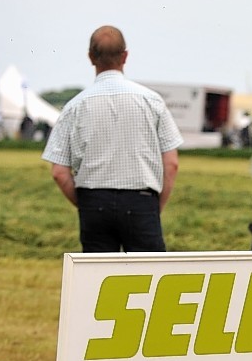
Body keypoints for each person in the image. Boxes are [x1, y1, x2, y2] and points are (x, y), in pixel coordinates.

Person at [42, 26, 183, 252]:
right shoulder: (152, 101)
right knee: (148, 278)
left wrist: (86, 204)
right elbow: (172, 164)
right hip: (142, 200)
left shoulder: (74, 106)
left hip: (93, 201)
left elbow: (59, 172)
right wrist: (155, 207)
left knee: (97, 281)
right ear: (125, 56)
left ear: (90, 57)